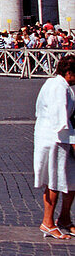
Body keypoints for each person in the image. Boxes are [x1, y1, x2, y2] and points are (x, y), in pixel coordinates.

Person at [34, 53, 75, 239]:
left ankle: (64, 218)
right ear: (68, 72)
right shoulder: (59, 88)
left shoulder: (55, 83)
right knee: (54, 181)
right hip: (56, 139)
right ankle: (47, 222)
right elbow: (61, 120)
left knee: (71, 181)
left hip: (57, 136)